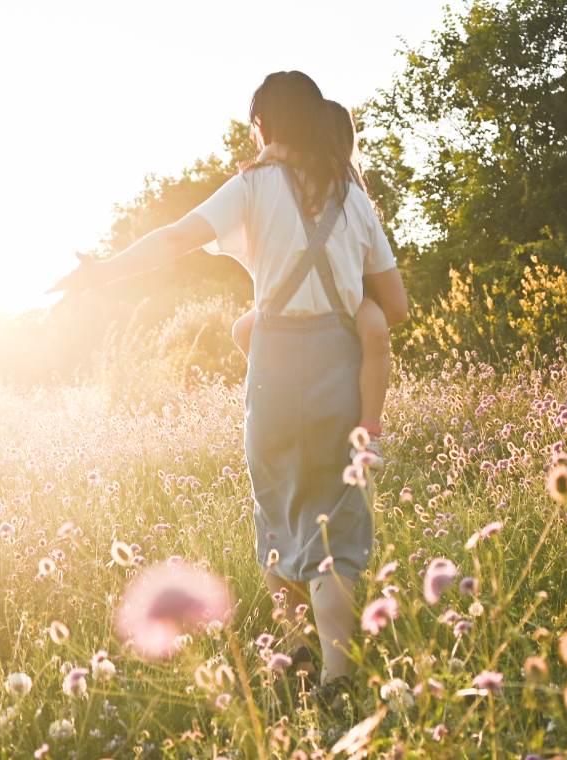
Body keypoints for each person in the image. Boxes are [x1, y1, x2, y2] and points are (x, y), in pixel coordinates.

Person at [48, 71, 408, 708]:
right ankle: (337, 682)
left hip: (271, 367)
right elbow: (397, 307)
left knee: (278, 515)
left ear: (262, 125)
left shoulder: (252, 186)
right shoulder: (354, 198)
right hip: (336, 368)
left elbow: (175, 238)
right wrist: (359, 307)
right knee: (336, 532)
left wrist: (102, 271)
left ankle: (295, 655)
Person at [229, 99, 394, 454]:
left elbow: (389, 297)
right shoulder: (293, 186)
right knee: (243, 329)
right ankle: (281, 390)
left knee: (376, 332)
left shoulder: (349, 188)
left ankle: (369, 430)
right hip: (306, 292)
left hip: (355, 293)